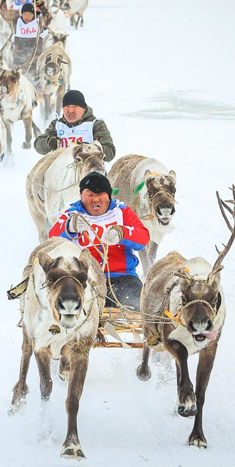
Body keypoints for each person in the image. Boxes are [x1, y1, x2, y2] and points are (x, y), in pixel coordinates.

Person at [49, 172, 149, 309]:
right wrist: (69, 227)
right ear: (81, 197)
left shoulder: (122, 212)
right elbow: (52, 240)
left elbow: (143, 238)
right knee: (74, 309)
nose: (95, 199)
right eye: (90, 194)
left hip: (122, 278)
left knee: (136, 307)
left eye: (100, 194)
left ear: (108, 196)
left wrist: (122, 233)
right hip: (84, 279)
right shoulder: (72, 214)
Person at [34, 90, 116, 160]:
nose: (70, 111)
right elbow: (38, 146)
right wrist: (48, 143)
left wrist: (89, 149)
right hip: (61, 170)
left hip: (88, 170)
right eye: (67, 106)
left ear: (83, 108)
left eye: (75, 107)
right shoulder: (57, 124)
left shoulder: (96, 124)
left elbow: (110, 152)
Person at [11, 2, 47, 70]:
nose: (27, 16)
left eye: (29, 14)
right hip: (18, 61)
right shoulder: (17, 22)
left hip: (35, 61)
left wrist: (41, 5)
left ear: (33, 15)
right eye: (25, 14)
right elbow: (5, 14)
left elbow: (48, 17)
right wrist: (3, 2)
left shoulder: (39, 22)